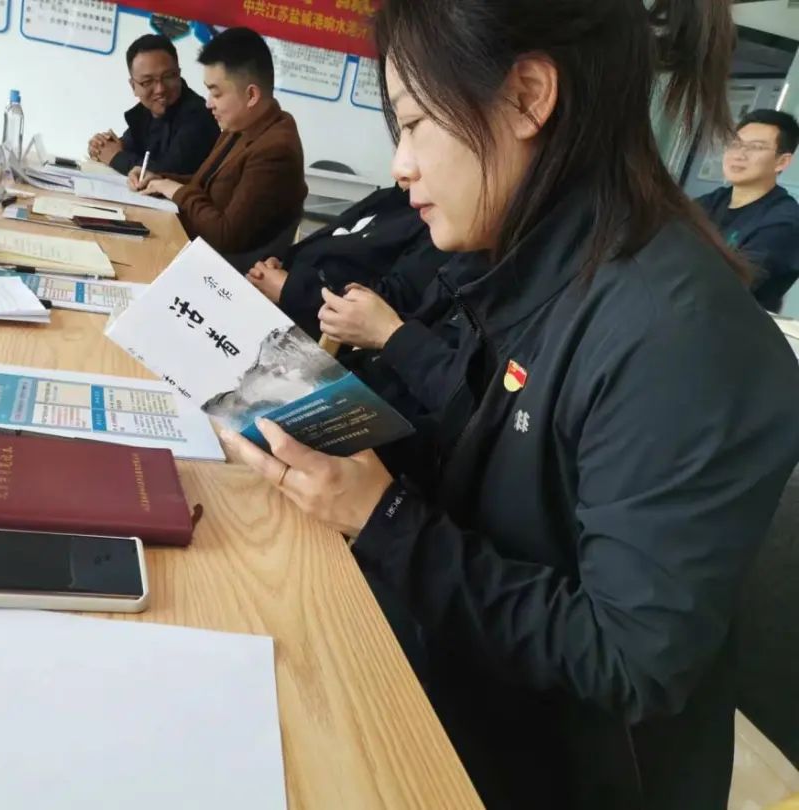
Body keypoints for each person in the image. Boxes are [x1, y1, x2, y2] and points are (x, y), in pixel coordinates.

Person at [219, 1, 799, 808]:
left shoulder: (682, 335)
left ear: (528, 97)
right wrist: (330, 437)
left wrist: (381, 515)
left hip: (549, 769)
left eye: (415, 124)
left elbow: (630, 661)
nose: (401, 166)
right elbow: (492, 449)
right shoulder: (525, 261)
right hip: (453, 678)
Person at [129, 27, 307, 258]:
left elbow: (225, 236)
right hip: (192, 248)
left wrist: (172, 188)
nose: (209, 103)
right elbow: (202, 184)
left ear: (251, 95)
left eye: (217, 93)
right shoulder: (243, 124)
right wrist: (158, 179)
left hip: (218, 267)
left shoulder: (275, 150)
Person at [246, 184, 447, 339]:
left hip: (312, 331)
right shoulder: (391, 196)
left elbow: (387, 307)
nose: (400, 166)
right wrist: (280, 266)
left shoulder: (437, 229)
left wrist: (289, 288)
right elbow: (326, 239)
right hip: (283, 301)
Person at [696, 109, 799, 312]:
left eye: (756, 147)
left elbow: (726, 287)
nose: (739, 154)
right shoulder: (713, 201)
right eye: (735, 144)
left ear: (782, 161)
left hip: (727, 323)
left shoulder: (784, 222)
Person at [87, 34, 219, 178]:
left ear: (179, 74)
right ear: (133, 86)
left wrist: (115, 157)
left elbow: (168, 173)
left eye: (168, 76)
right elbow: (125, 147)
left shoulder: (199, 116)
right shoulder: (145, 112)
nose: (160, 89)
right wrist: (100, 146)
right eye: (147, 82)